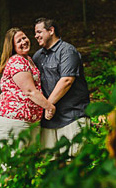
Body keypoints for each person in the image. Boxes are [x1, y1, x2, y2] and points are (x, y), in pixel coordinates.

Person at [0, 27, 58, 157]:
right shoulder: (17, 61)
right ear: (12, 46)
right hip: (14, 119)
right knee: (13, 164)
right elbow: (30, 91)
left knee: (26, 164)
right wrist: (49, 107)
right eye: (19, 41)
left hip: (29, 120)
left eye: (24, 38)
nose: (24, 42)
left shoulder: (28, 59)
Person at [32, 17, 91, 156]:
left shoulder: (67, 51)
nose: (36, 36)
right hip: (49, 122)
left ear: (51, 30)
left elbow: (66, 81)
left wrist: (48, 105)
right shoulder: (37, 56)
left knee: (72, 164)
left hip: (72, 117)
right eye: (35, 33)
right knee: (51, 167)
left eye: (39, 31)